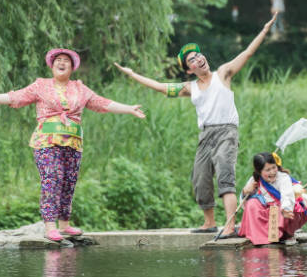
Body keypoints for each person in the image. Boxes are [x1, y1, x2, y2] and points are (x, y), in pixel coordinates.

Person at [114, 14, 277, 236]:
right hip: (206, 135)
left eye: (198, 55)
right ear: (189, 69)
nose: (198, 59)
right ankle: (209, 222)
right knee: (200, 177)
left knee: (224, 174)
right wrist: (133, 75)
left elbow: (247, 53)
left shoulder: (223, 74)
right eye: (192, 59)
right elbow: (161, 87)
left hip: (227, 131)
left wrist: (265, 30)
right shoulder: (190, 87)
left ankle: (230, 224)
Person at [0, 48, 145, 241]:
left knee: (68, 182)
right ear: (52, 66)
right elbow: (15, 97)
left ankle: (64, 224)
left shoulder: (80, 89)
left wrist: (129, 109)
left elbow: (102, 103)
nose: (61, 63)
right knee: (52, 178)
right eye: (58, 61)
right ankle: (49, 226)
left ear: (72, 67)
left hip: (73, 142)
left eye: (66, 61)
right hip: (47, 141)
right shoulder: (41, 86)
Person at [238, 152, 307, 245]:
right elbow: (243, 203)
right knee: (252, 203)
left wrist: (285, 209)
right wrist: (245, 191)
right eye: (267, 170)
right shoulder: (254, 180)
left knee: (291, 206)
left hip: (281, 210)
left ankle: (286, 235)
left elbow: (287, 196)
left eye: (274, 167)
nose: (272, 172)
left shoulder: (283, 178)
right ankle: (260, 237)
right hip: (266, 210)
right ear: (259, 172)